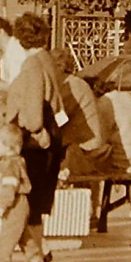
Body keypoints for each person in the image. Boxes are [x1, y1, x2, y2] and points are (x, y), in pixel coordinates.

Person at [3, 13, 67, 262]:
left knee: (27, 202)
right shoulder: (47, 60)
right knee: (36, 203)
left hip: (35, 141)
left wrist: (36, 129)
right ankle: (39, 254)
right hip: (53, 135)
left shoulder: (31, 65)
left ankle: (36, 256)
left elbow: (32, 108)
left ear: (20, 38)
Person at [48, 49, 111, 177]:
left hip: (86, 150)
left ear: (59, 67)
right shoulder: (72, 84)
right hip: (84, 146)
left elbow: (58, 118)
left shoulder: (72, 86)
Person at [0, 123, 38, 262]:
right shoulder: (15, 161)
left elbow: (10, 187)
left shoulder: (10, 165)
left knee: (7, 235)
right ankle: (35, 256)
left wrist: (3, 205)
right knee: (21, 233)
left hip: (14, 203)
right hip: (20, 202)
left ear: (8, 147)